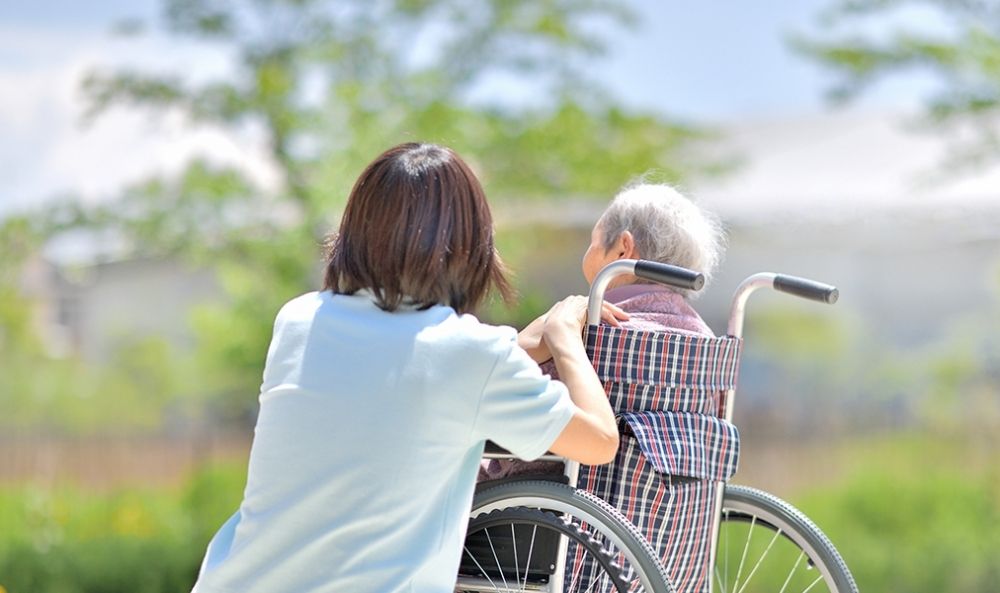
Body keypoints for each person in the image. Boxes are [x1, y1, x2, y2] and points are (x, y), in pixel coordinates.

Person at [190, 142, 622, 593]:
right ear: (469, 246)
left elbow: (402, 373)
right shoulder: (472, 355)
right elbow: (599, 440)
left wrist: (519, 346)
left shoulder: (298, 320)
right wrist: (565, 338)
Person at [482, 180, 724, 475]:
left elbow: (496, 392)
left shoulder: (590, 330)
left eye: (592, 243)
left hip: (540, 506)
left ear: (624, 248)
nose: (588, 252)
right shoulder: (706, 342)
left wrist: (547, 329)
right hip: (663, 512)